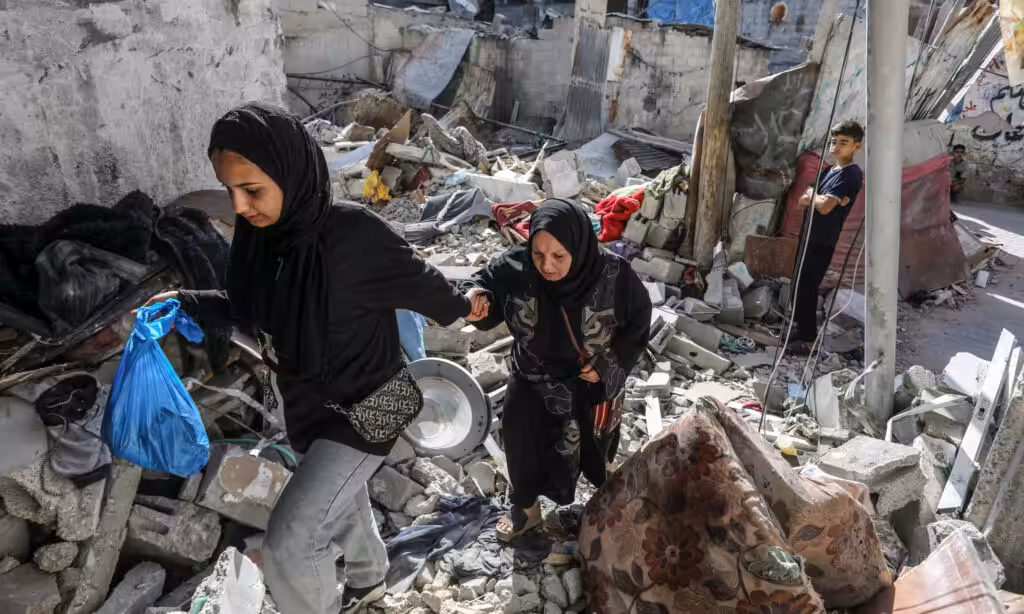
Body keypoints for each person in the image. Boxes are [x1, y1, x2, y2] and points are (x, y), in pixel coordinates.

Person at [145, 102, 488, 614]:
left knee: (291, 541)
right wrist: (186, 302)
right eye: (229, 189)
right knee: (341, 501)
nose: (239, 206)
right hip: (307, 406)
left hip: (372, 408)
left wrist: (466, 304)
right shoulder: (263, 241)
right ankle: (370, 579)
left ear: (289, 173)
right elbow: (248, 309)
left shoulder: (354, 236)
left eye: (251, 190)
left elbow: (430, 290)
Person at [459, 200, 652, 540]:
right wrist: (473, 298)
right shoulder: (515, 267)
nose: (547, 265)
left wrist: (609, 364)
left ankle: (604, 510)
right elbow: (481, 286)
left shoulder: (614, 274)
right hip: (532, 377)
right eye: (538, 253)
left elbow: (638, 321)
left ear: (579, 246)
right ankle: (527, 513)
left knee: (595, 448)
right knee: (522, 445)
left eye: (559, 256)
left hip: (589, 382)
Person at [791, 119, 864, 352]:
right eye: (834, 141)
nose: (836, 146)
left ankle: (808, 340)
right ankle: (798, 329)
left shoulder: (851, 174)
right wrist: (816, 196)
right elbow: (803, 200)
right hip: (808, 235)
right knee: (798, 284)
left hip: (822, 240)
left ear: (856, 147)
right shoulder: (829, 170)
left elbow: (823, 207)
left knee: (808, 287)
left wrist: (814, 196)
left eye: (843, 142)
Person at [949, 144, 971, 221]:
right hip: (945, 182)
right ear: (953, 153)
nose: (959, 154)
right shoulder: (948, 162)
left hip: (955, 184)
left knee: (957, 187)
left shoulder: (966, 165)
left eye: (961, 152)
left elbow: (962, 180)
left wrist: (951, 183)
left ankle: (952, 197)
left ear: (964, 154)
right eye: (957, 152)